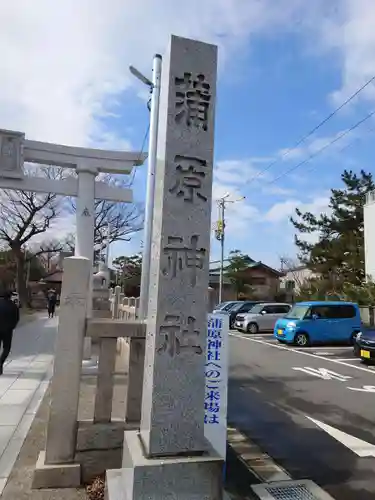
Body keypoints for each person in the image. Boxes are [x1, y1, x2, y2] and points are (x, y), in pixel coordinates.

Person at [0, 290, 20, 376]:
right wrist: (12, 326)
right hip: (8, 330)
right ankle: (0, 362)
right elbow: (16, 318)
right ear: (10, 296)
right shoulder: (13, 306)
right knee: (6, 348)